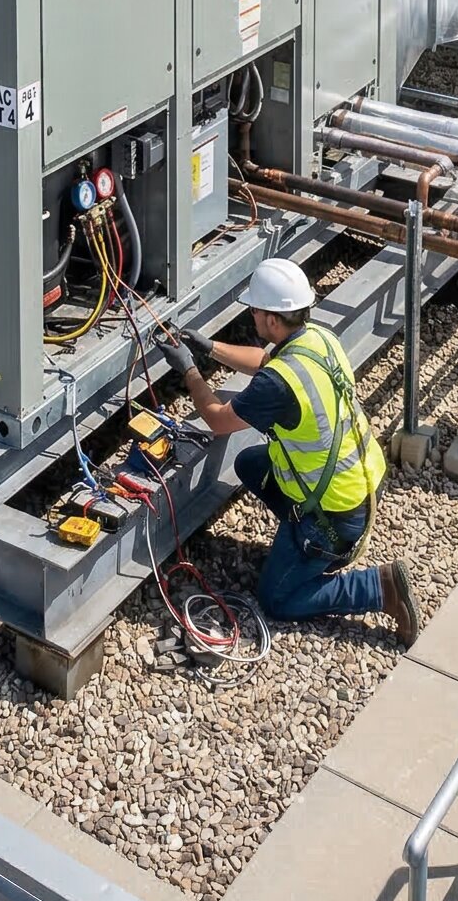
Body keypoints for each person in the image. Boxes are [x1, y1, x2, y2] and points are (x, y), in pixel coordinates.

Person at [162, 258, 419, 643]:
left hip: (338, 515)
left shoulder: (278, 386)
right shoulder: (318, 337)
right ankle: (303, 541)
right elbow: (266, 361)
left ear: (270, 319)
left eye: (254, 311)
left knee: (276, 599)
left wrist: (188, 371)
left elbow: (217, 419)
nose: (251, 315)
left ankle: (379, 588)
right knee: (249, 463)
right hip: (362, 482)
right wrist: (210, 347)